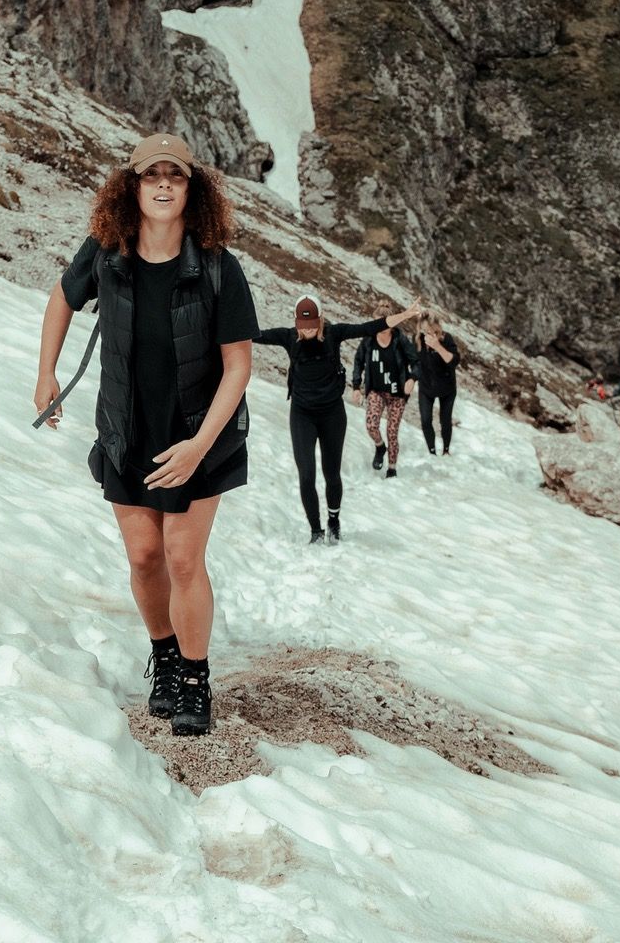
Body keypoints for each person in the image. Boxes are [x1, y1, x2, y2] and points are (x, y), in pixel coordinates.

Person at [35, 132, 255, 738]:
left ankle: (194, 676)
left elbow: (238, 365)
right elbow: (61, 298)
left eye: (175, 176)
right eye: (150, 175)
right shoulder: (107, 251)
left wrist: (198, 448)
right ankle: (162, 655)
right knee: (144, 554)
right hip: (127, 432)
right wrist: (46, 372)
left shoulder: (217, 266)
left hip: (199, 435)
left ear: (192, 189)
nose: (162, 184)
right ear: (130, 187)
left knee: (183, 557)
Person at [254, 296, 424, 542]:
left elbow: (371, 326)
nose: (309, 330)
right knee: (306, 475)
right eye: (304, 326)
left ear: (320, 319)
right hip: (302, 414)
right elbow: (252, 334)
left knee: (331, 473)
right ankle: (315, 531)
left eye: (313, 324)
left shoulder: (334, 334)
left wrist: (406, 315)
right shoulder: (288, 337)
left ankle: (333, 519)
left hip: (332, 414)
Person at [350, 319, 419, 477]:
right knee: (371, 425)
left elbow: (416, 362)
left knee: (392, 431)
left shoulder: (399, 339)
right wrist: (356, 387)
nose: (381, 329)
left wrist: (412, 378)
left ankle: (392, 469)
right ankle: (380, 447)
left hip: (398, 394)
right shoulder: (368, 340)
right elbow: (358, 361)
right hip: (376, 391)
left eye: (385, 325)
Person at [413, 315, 462, 455]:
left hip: (447, 388)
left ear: (437, 328)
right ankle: (432, 452)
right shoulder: (417, 340)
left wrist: (437, 346)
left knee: (445, 420)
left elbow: (454, 361)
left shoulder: (447, 339)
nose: (428, 334)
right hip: (426, 387)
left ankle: (446, 450)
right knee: (426, 420)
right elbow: (415, 362)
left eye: (431, 331)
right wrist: (411, 379)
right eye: (424, 331)